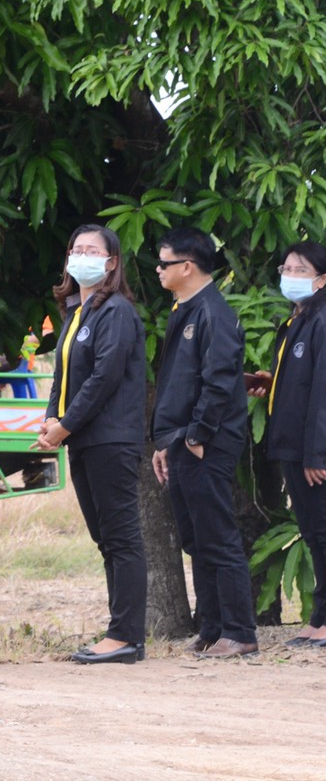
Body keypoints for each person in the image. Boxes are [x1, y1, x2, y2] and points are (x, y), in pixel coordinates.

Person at [32, 225, 148, 665]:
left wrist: (65, 426)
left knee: (121, 537)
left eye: (92, 251)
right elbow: (63, 376)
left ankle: (126, 637)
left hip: (110, 438)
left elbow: (104, 379)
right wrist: (50, 419)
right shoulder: (76, 312)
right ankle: (119, 632)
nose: (81, 256)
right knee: (106, 539)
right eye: (76, 249)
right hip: (84, 438)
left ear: (112, 262)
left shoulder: (116, 312)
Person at [151, 227, 258, 658]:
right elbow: (179, 384)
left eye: (164, 263)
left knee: (217, 536)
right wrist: (166, 441)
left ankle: (240, 631)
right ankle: (212, 626)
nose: (158, 271)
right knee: (195, 538)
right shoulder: (185, 309)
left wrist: (196, 435)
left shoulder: (214, 312)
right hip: (181, 440)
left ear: (187, 266)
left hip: (206, 442)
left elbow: (219, 383)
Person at [251, 243, 326, 647]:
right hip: (290, 443)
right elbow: (300, 380)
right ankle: (318, 617)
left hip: (309, 450)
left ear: (322, 279)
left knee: (323, 532)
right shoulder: (299, 318)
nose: (290, 275)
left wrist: (318, 453)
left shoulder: (322, 319)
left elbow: (323, 393)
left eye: (300, 269)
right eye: (287, 267)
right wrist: (272, 381)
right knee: (315, 533)